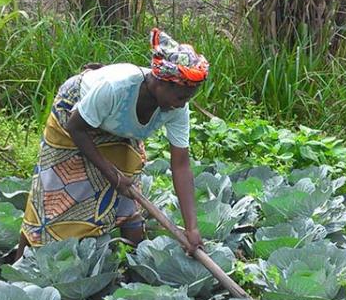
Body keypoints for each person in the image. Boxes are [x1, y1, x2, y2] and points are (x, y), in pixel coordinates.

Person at [17, 28, 207, 258]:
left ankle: (133, 266)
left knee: (126, 194)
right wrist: (111, 174)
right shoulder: (117, 88)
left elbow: (181, 165)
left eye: (187, 99)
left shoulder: (177, 107)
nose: (181, 104)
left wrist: (192, 228)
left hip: (119, 127)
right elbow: (76, 128)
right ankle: (21, 263)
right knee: (55, 191)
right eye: (179, 97)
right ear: (160, 82)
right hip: (74, 115)